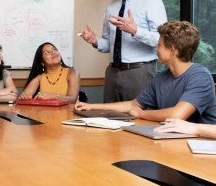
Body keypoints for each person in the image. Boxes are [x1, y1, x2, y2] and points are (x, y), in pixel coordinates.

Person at [75, 21, 216, 124]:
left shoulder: (200, 76)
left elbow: (177, 115)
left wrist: (142, 114)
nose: (156, 49)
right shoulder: (161, 78)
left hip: (201, 145)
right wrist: (91, 106)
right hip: (172, 137)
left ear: (172, 50)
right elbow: (132, 105)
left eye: (159, 45)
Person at [78, 0, 167, 103]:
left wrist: (135, 30)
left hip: (140, 72)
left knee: (140, 119)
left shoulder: (152, 2)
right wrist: (95, 41)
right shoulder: (111, 7)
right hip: (112, 72)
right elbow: (108, 44)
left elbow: (162, 40)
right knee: (108, 119)